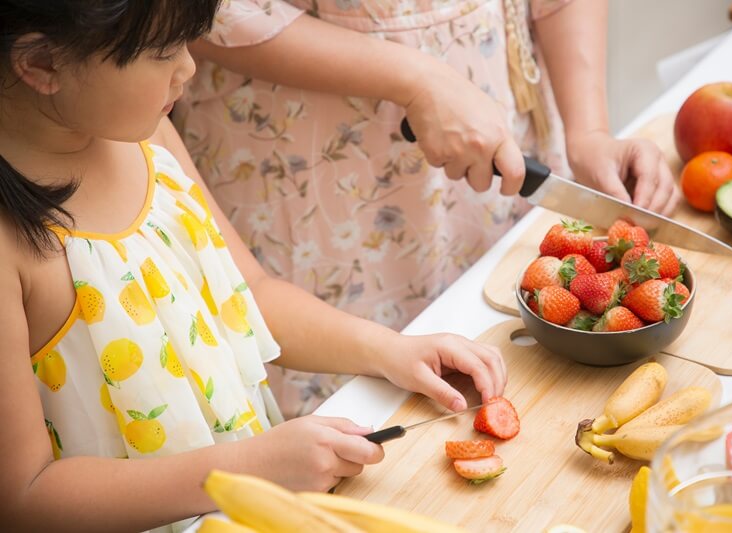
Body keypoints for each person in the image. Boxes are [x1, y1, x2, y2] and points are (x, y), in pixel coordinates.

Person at [0, 2, 508, 531]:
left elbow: (251, 296)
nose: (189, 68)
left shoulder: (146, 136)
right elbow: (22, 495)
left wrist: (390, 350)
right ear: (41, 64)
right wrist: (248, 466)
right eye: (162, 51)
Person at [175, 0, 681, 417]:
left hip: (495, 140)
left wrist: (588, 132)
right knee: (355, 415)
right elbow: (209, 12)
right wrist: (417, 80)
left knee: (507, 355)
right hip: (322, 183)